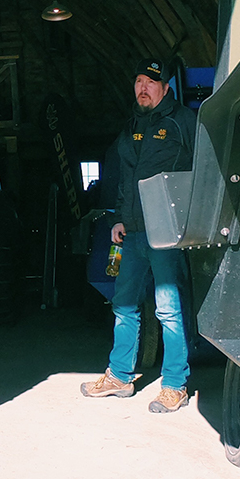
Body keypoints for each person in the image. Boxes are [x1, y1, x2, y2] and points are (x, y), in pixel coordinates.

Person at [82, 58, 198, 413]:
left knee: (168, 310)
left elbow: (206, 169)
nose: (143, 88)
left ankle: (175, 385)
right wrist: (119, 217)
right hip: (132, 232)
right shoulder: (133, 125)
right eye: (138, 82)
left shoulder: (184, 123)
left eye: (151, 82)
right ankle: (119, 377)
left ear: (166, 88)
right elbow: (126, 179)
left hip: (166, 233)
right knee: (124, 306)